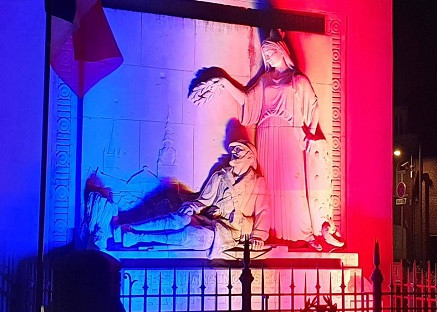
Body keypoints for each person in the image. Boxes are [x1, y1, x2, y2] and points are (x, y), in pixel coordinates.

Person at [190, 30, 343, 250]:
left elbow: (312, 106)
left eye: (271, 52)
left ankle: (304, 232)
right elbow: (246, 99)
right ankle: (269, 233)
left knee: (294, 184)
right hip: (266, 134)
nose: (268, 57)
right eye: (265, 54)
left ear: (282, 51)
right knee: (270, 187)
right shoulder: (264, 81)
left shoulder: (297, 80)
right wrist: (223, 82)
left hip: (291, 136)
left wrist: (309, 133)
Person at [112, 140, 269, 255]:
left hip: (230, 230)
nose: (234, 152)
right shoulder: (220, 176)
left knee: (197, 236)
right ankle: (129, 226)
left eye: (239, 150)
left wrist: (258, 236)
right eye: (233, 149)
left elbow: (263, 212)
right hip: (210, 219)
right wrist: (192, 206)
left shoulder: (257, 182)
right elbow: (203, 200)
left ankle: (138, 237)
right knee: (180, 219)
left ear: (250, 156)